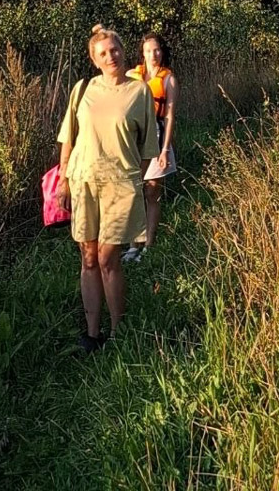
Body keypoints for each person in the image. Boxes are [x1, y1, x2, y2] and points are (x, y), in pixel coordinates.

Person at [54, 25, 159, 350]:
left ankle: (117, 332)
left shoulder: (139, 91)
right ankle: (91, 332)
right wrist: (64, 180)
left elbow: (147, 149)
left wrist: (130, 178)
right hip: (84, 182)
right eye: (103, 53)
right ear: (94, 59)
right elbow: (68, 138)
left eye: (114, 50)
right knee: (87, 258)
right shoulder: (83, 89)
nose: (110, 56)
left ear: (122, 51)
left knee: (108, 258)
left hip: (120, 187)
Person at [123, 32, 179, 260]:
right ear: (142, 53)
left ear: (162, 51)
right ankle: (133, 244)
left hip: (156, 137)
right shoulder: (130, 75)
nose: (152, 54)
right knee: (132, 191)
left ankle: (149, 243)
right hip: (133, 137)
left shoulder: (169, 79)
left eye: (156, 50)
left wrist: (165, 149)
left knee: (152, 191)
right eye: (148, 50)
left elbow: (170, 117)